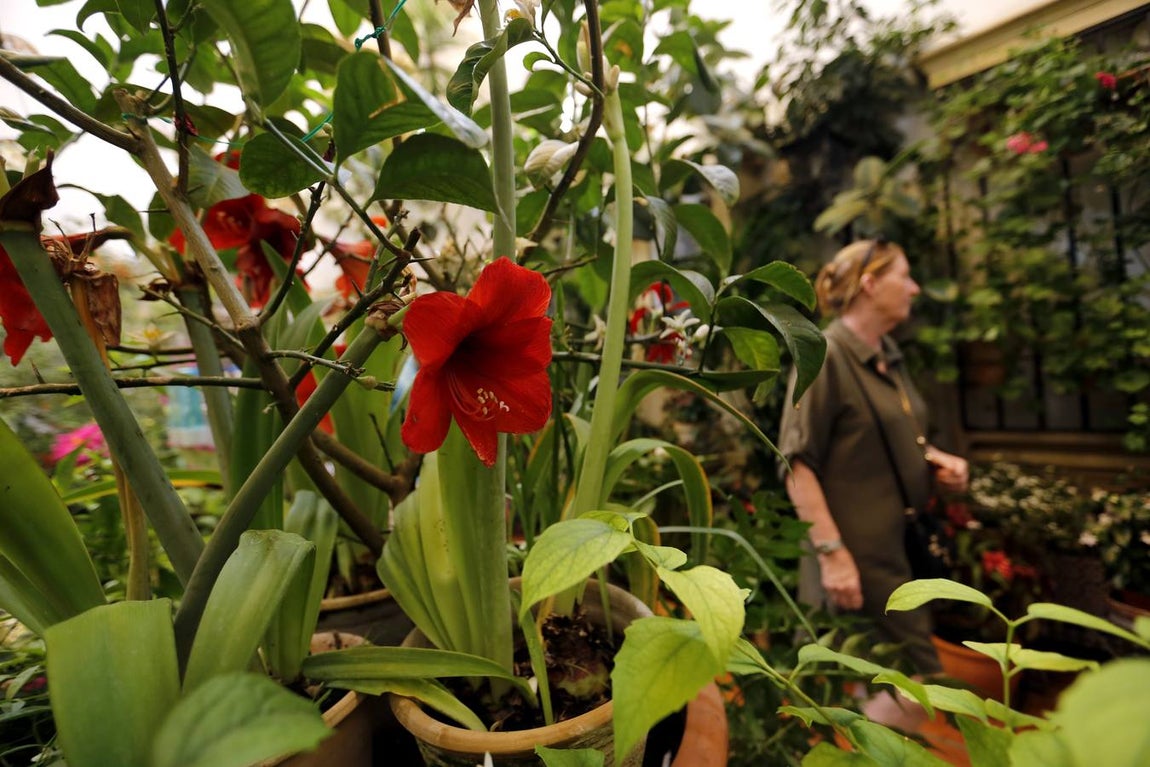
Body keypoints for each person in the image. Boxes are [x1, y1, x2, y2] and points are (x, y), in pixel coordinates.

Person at [778, 238, 969, 675]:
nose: (914, 288)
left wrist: (938, 461)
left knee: (880, 683)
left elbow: (889, 434)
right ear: (870, 284)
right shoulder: (826, 355)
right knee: (914, 679)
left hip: (897, 551)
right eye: (904, 276)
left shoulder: (889, 356)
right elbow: (796, 464)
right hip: (855, 562)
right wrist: (832, 555)